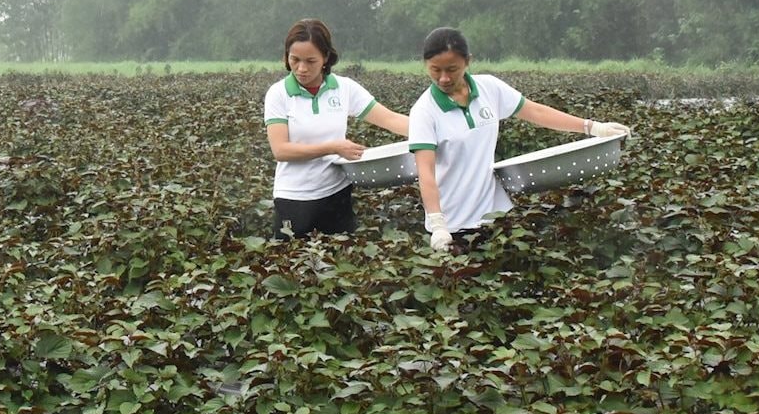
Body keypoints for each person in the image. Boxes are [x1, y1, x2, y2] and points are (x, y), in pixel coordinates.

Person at [409, 26, 632, 252]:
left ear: (468, 62)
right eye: (435, 70)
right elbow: (426, 172)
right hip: (453, 226)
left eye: (452, 69)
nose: (444, 78)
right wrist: (438, 223)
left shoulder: (489, 88)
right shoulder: (424, 111)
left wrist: (592, 127)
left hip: (496, 216)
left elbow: (536, 112)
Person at [263, 19, 439, 239]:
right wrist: (333, 147)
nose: (301, 68)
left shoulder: (344, 88)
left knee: (340, 265)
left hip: (337, 196)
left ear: (326, 58)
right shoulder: (278, 94)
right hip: (294, 199)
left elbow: (390, 119)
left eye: (310, 61)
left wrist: (435, 134)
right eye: (295, 59)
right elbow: (281, 150)